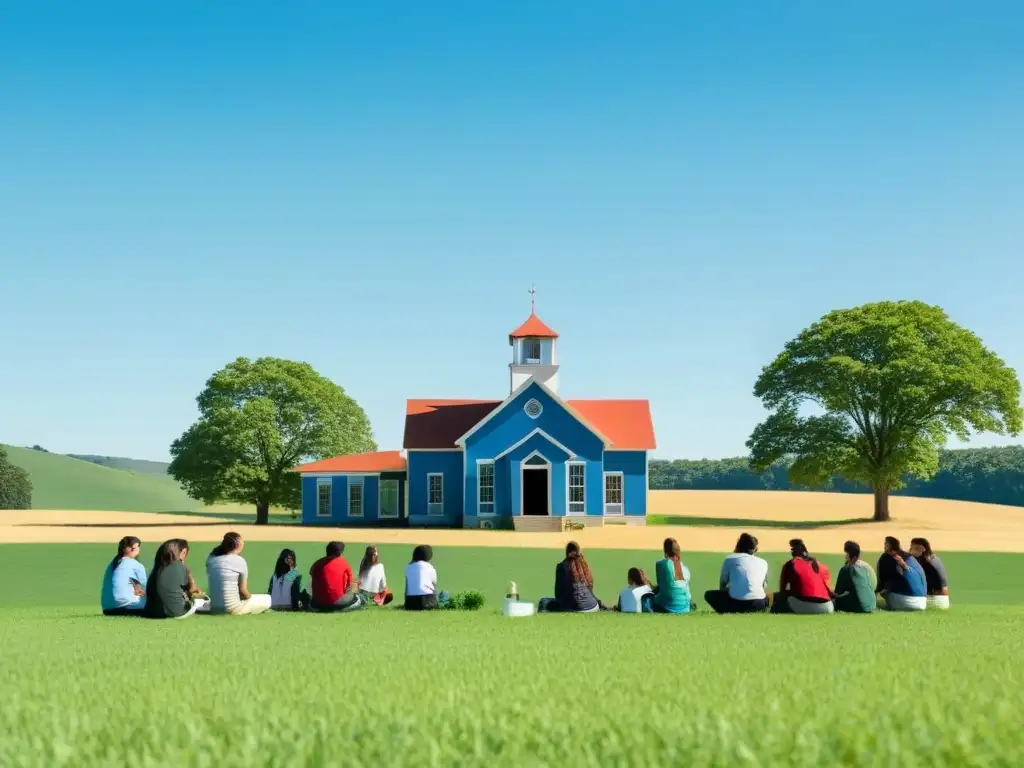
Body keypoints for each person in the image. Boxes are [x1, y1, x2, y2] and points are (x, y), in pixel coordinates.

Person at [206, 532, 273, 616]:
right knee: (267, 599)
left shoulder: (211, 559)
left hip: (214, 608)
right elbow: (243, 592)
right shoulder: (240, 561)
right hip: (232, 609)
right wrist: (249, 598)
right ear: (238, 545)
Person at [704, 533, 770, 614]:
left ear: (738, 546)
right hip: (760, 604)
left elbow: (723, 584)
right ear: (755, 549)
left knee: (709, 595)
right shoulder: (763, 562)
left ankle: (726, 611)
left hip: (737, 604)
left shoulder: (730, 559)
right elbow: (764, 585)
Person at [144, 539, 208, 619]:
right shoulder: (180, 566)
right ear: (183, 552)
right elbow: (192, 590)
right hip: (176, 612)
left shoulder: (158, 566)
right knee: (204, 602)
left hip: (151, 612)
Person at [771, 539, 834, 614]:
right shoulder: (822, 566)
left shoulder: (791, 564)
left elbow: (783, 590)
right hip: (827, 608)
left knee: (778, 598)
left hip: (802, 606)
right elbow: (829, 591)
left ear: (793, 552)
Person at [539, 541, 604, 613]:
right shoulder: (584, 565)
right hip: (593, 606)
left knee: (544, 601)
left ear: (567, 552)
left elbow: (558, 594)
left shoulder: (562, 566)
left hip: (576, 608)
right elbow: (590, 591)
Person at [876, 536, 927, 611]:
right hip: (923, 602)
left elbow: (881, 583)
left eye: (885, 544)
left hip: (906, 601)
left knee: (884, 592)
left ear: (888, 546)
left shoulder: (886, 557)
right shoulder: (911, 558)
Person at [310, 541, 364, 612]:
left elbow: (311, 573)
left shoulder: (317, 563)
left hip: (318, 603)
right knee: (359, 597)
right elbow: (349, 584)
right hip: (337, 602)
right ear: (339, 553)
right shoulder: (342, 562)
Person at [101, 536, 147, 616]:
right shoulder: (135, 564)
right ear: (134, 548)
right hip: (126, 608)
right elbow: (146, 587)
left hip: (107, 609)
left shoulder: (111, 564)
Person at [831, 541, 876, 613]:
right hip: (871, 605)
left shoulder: (846, 569)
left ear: (854, 557)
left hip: (859, 607)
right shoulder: (865, 566)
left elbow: (838, 593)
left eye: (847, 554)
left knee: (833, 601)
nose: (845, 556)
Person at [653, 538, 692, 614]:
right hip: (685, 607)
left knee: (649, 599)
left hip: (668, 606)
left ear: (665, 552)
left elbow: (661, 586)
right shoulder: (685, 569)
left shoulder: (661, 564)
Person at [910, 537, 950, 610]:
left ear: (922, 549)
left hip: (933, 601)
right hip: (942, 601)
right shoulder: (934, 558)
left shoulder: (926, 562)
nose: (911, 551)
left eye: (914, 548)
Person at [405, 544, 440, 610]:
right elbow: (434, 587)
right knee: (444, 593)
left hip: (411, 602)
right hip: (427, 601)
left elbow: (406, 589)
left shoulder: (408, 568)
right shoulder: (431, 568)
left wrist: (406, 604)